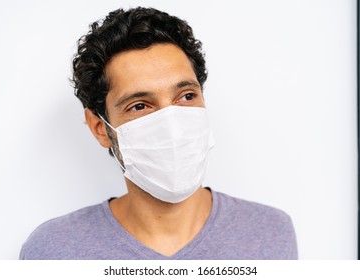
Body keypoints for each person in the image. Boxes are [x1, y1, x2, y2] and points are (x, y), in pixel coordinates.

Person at [20, 7, 297, 260]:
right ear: (100, 129)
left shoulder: (271, 234)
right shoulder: (52, 250)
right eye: (139, 105)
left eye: (186, 96)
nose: (172, 124)